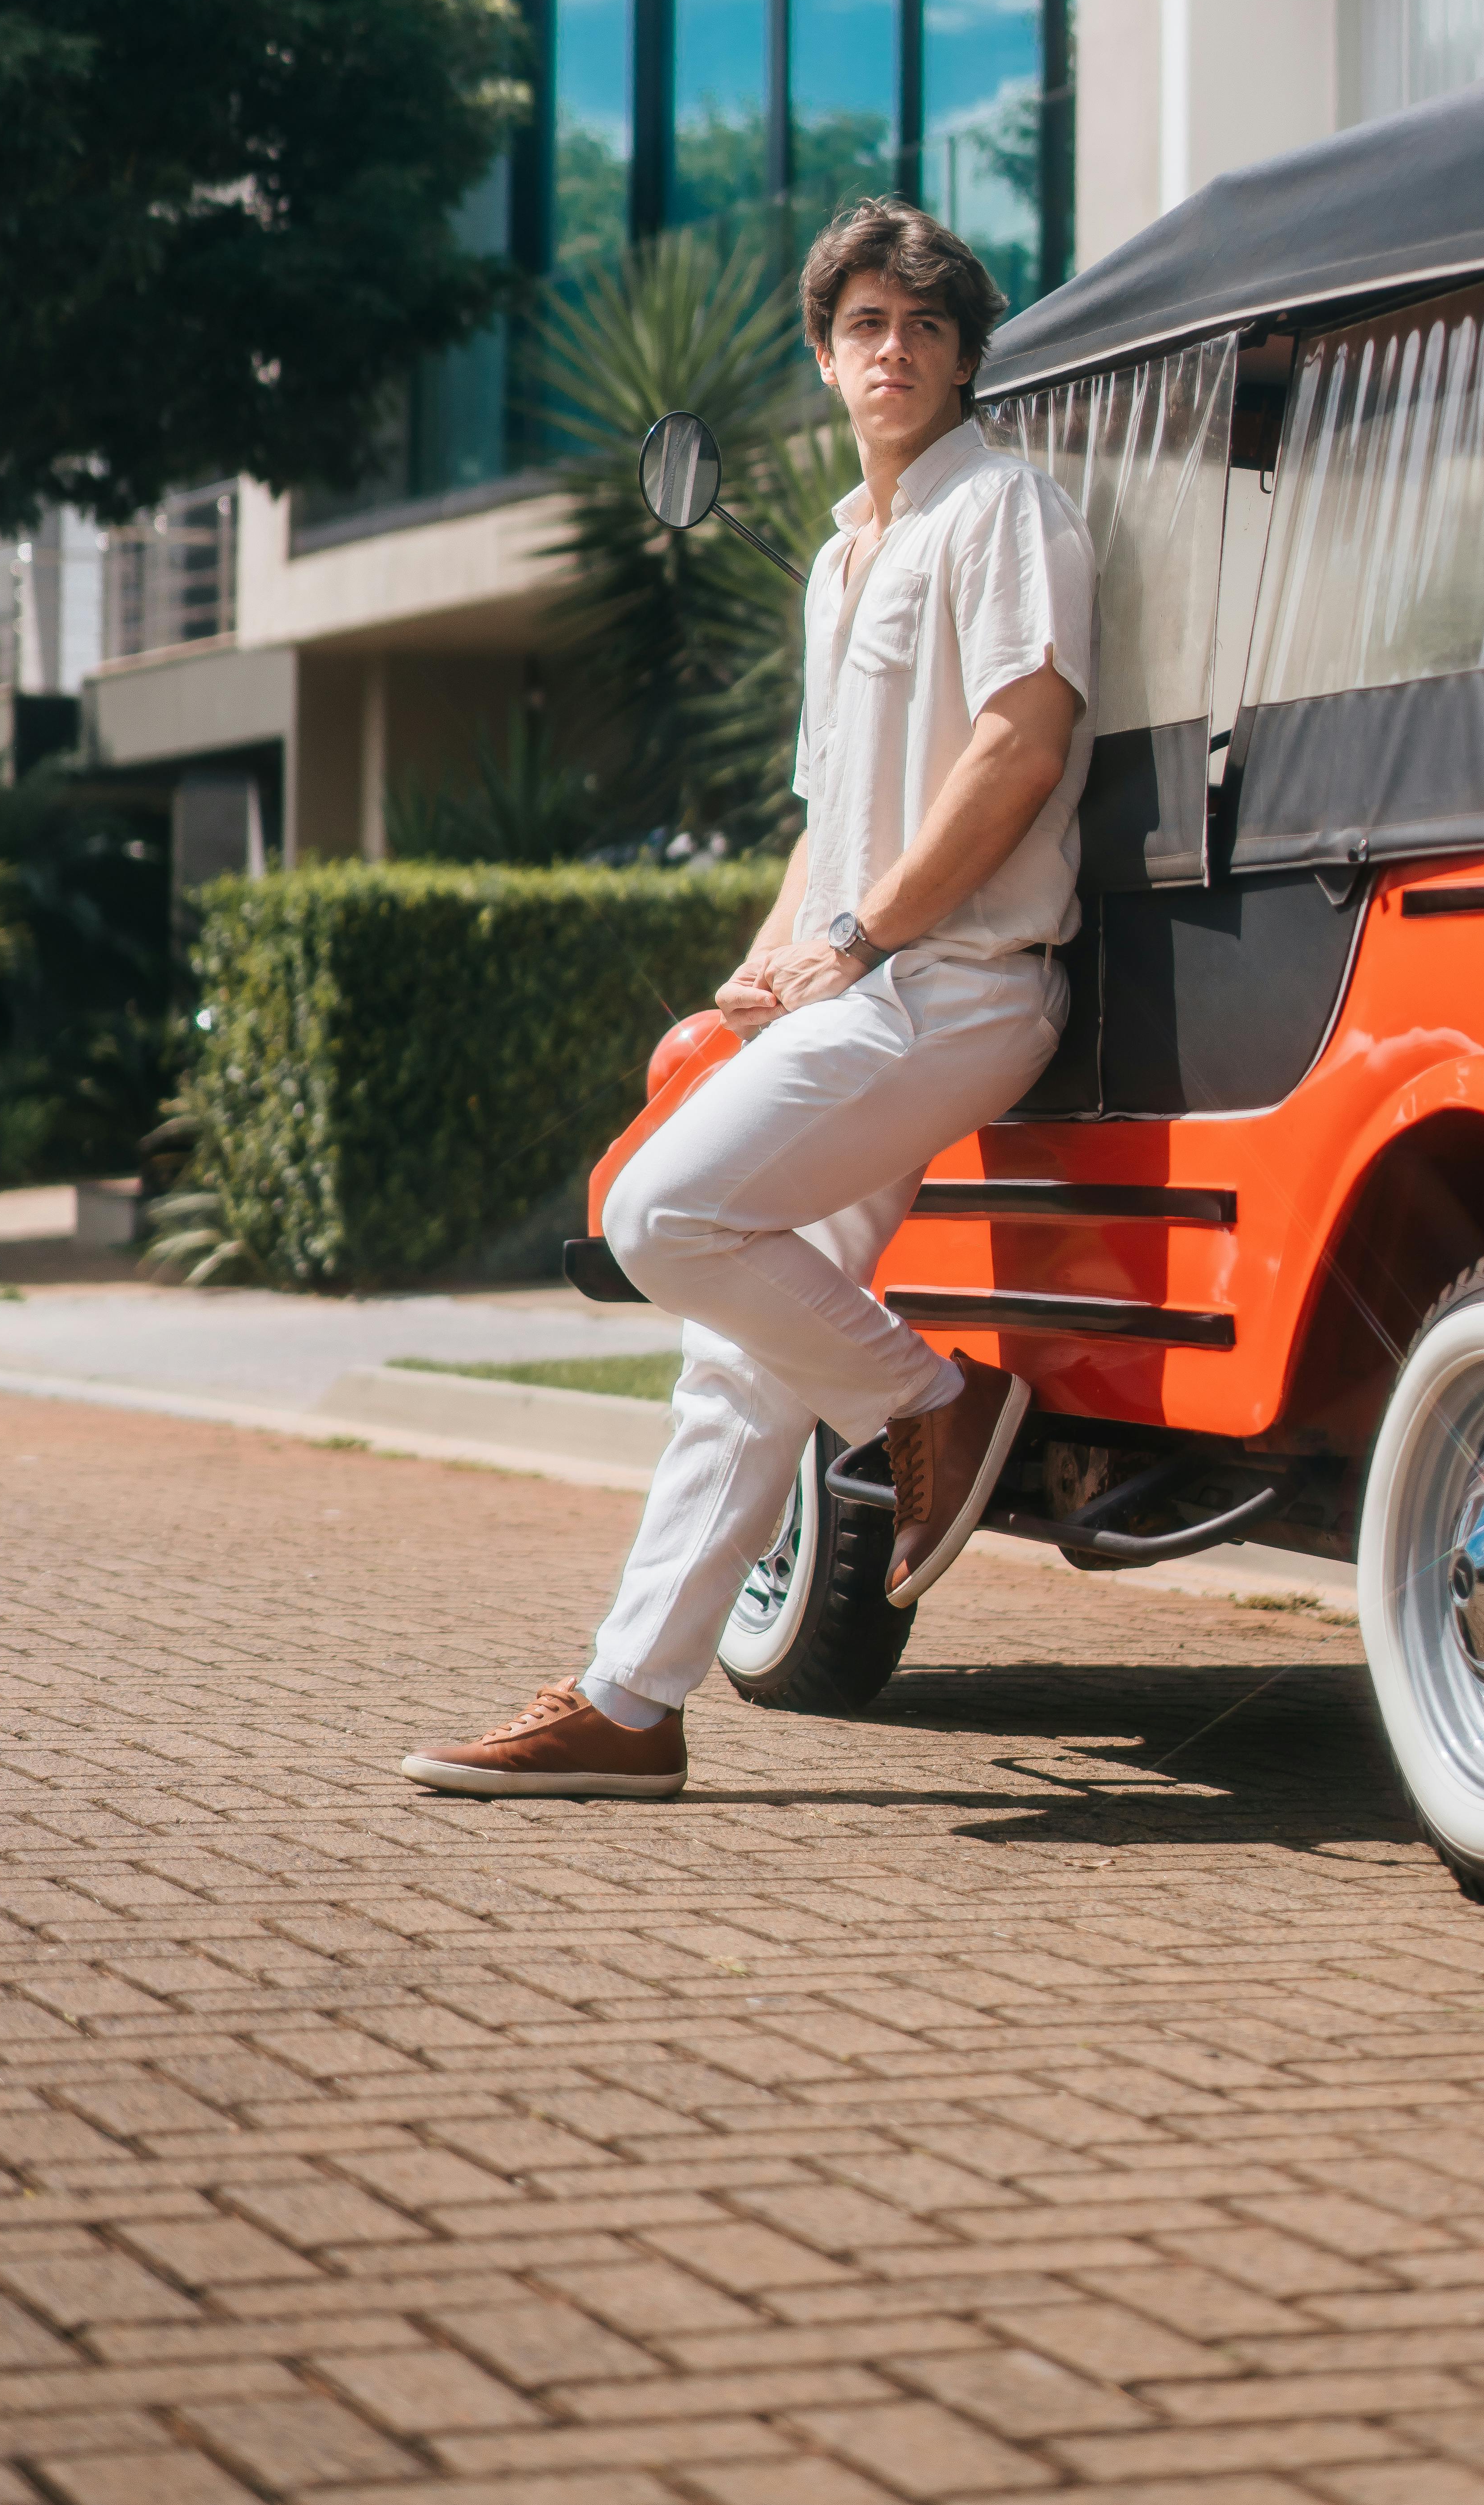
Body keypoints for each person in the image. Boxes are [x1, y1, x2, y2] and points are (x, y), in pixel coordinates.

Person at [402, 199, 1096, 1802]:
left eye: (927, 325)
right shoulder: (842, 560)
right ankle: (633, 1701)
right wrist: (765, 971)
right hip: (857, 994)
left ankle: (937, 1401)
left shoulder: (1005, 512)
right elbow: (826, 812)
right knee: (734, 1355)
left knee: (662, 1216)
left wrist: (851, 943)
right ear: (826, 353)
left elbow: (1018, 749)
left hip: (964, 985)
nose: (897, 350)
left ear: (964, 353)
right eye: (868, 325)